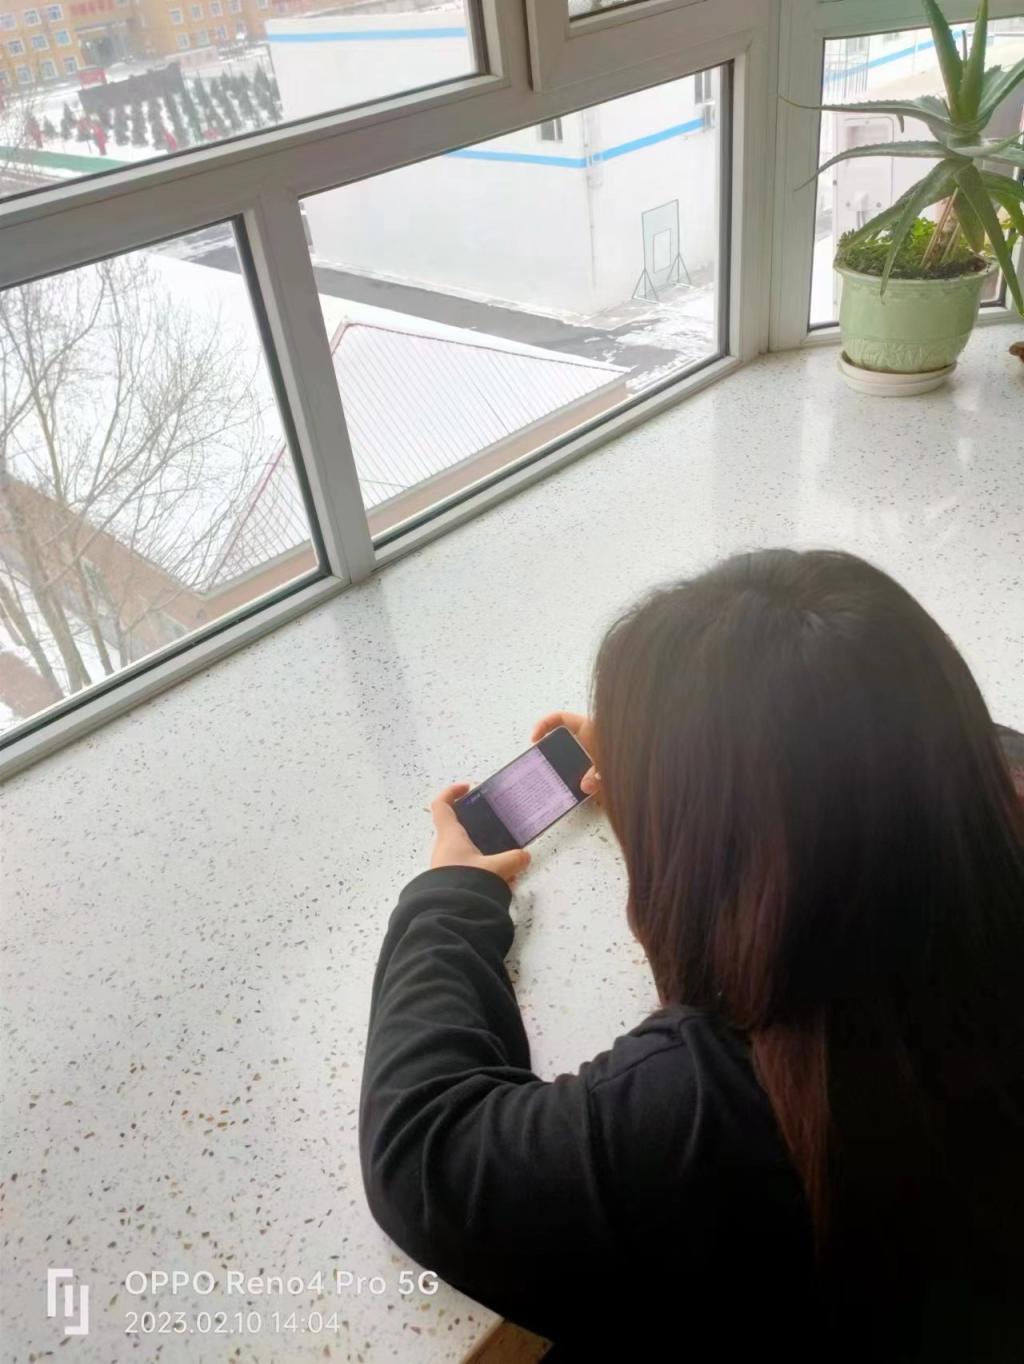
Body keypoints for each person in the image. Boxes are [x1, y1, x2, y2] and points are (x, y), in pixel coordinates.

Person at [360, 548, 1024, 1362]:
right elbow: (905, 738)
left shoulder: (716, 1109)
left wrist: (447, 898)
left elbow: (423, 1153)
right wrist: (676, 761)